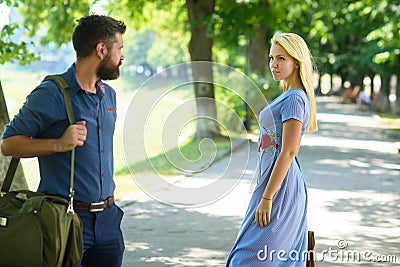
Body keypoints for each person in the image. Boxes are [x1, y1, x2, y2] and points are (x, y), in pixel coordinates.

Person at [1, 15, 126, 267]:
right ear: (101, 50)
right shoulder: (52, 93)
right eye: (119, 48)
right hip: (64, 220)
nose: (122, 56)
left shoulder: (108, 95)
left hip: (108, 220)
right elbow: (8, 143)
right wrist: (57, 144)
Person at [226, 32, 318, 266]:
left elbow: (289, 151)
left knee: (253, 256)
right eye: (272, 57)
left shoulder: (294, 99)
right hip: (271, 180)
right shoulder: (287, 95)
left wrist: (268, 196)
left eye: (281, 59)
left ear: (296, 62)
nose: (274, 64)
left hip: (280, 186)